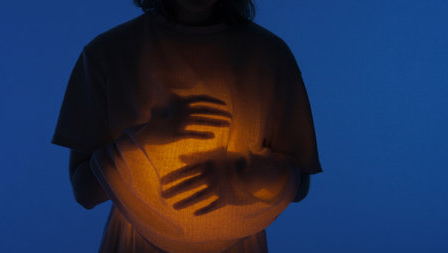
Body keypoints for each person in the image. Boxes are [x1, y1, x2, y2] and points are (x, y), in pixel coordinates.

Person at [52, 0, 323, 252]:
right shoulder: (107, 53)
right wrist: (145, 139)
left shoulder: (270, 55)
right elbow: (84, 191)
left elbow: (299, 186)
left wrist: (240, 178)